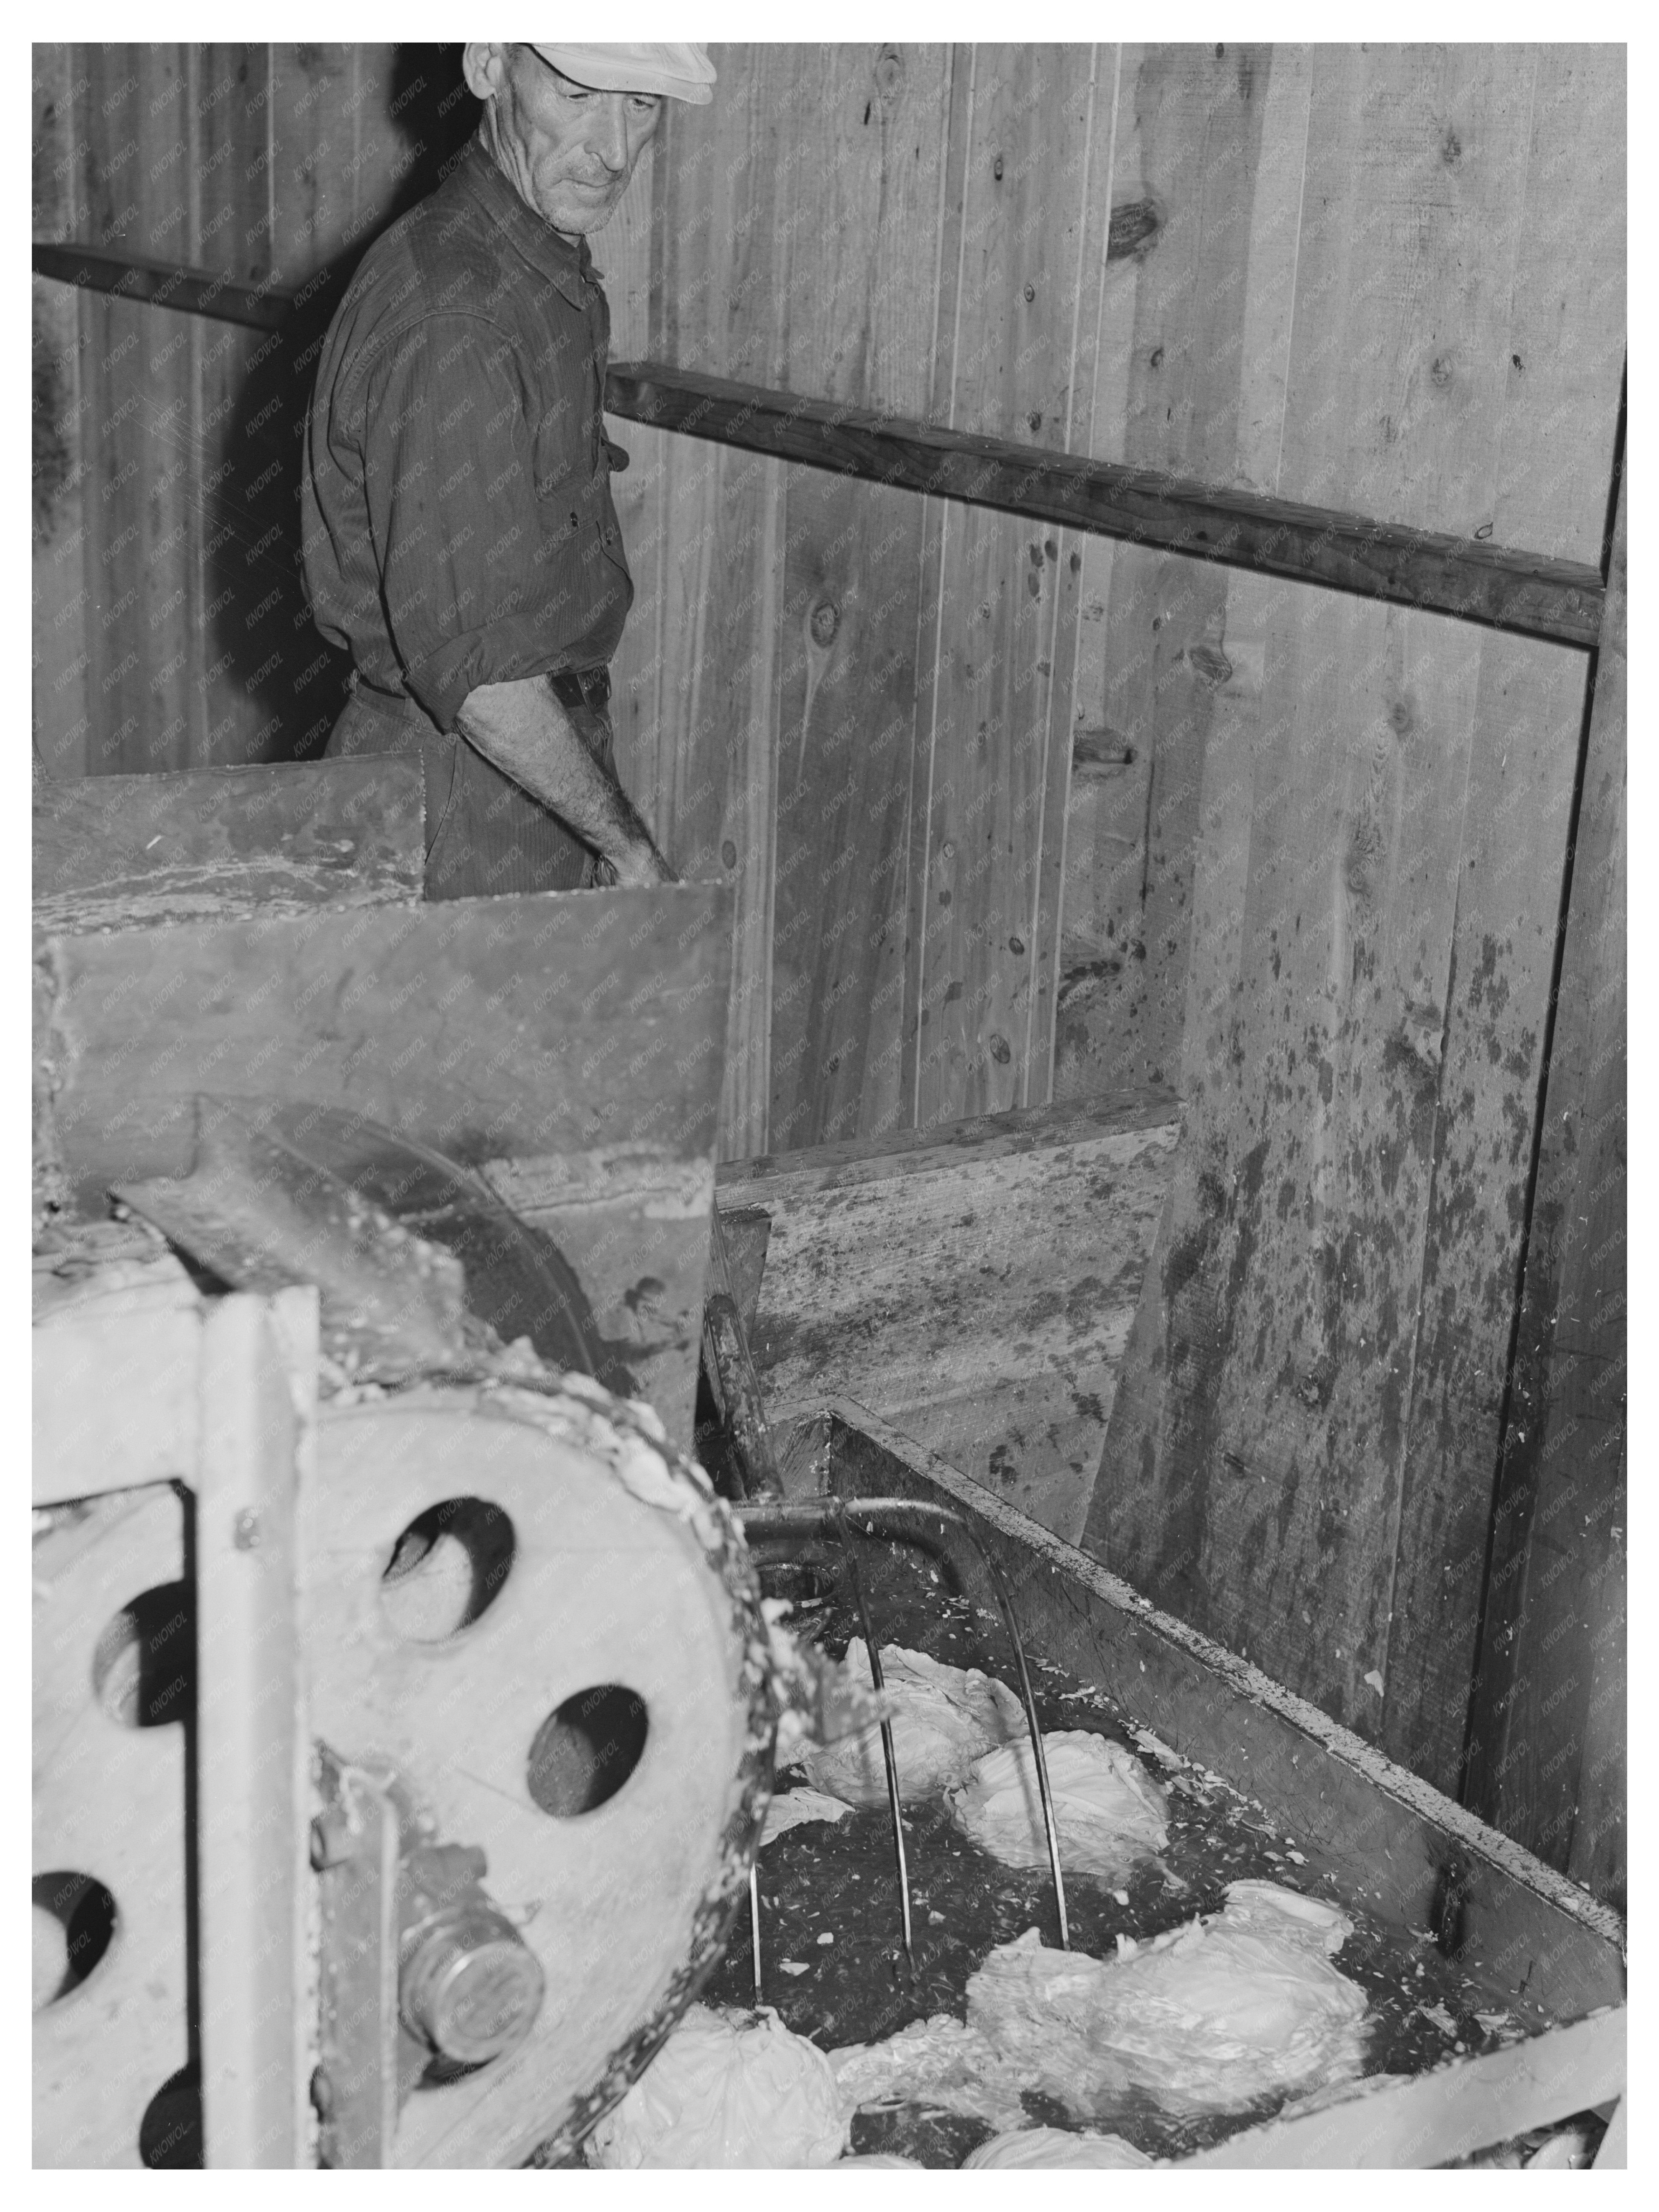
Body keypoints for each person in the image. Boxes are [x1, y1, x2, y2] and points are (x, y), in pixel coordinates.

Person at [301, 43, 715, 897]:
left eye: (641, 106)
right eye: (576, 92)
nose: (612, 147)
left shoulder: (528, 263)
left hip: (510, 777)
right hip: (457, 797)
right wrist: (628, 849)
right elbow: (483, 679)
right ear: (489, 66)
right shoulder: (458, 318)